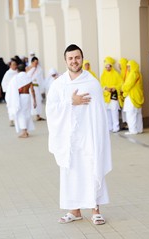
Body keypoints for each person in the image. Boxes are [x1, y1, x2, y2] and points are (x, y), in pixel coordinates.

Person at [46, 44, 112, 225]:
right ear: (65, 60)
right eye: (70, 58)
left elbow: (99, 115)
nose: (74, 61)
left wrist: (98, 138)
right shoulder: (59, 84)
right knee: (71, 173)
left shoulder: (92, 83)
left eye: (77, 57)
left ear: (82, 58)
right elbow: (50, 110)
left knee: (92, 169)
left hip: (89, 137)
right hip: (69, 139)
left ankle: (95, 210)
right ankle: (74, 211)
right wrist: (70, 102)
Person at [5, 64, 37, 138]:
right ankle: (26, 130)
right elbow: (32, 90)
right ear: (25, 69)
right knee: (27, 113)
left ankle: (24, 132)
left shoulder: (16, 78)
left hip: (21, 97)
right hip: (28, 96)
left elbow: (11, 89)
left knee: (20, 114)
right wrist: (34, 101)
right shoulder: (28, 77)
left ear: (17, 70)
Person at [100, 56, 123, 133]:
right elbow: (101, 85)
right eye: (106, 66)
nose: (107, 68)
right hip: (106, 96)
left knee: (114, 111)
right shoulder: (103, 75)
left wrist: (114, 88)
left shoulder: (116, 74)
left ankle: (116, 127)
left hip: (114, 96)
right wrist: (106, 88)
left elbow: (121, 84)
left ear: (111, 66)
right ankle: (109, 127)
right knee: (107, 112)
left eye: (109, 66)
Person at [122, 60, 144, 135]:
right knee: (138, 114)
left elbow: (127, 85)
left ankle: (133, 130)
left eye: (129, 66)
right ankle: (139, 129)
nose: (127, 68)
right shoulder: (138, 73)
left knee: (130, 113)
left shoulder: (133, 73)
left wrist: (123, 89)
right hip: (138, 96)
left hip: (132, 96)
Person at [26, 56, 45, 121]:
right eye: (35, 63)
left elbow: (41, 79)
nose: (36, 64)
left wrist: (42, 88)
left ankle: (38, 115)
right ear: (32, 62)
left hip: (37, 87)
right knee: (31, 101)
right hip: (30, 87)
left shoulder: (39, 69)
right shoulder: (28, 68)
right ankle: (29, 116)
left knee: (38, 101)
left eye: (37, 63)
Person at [1, 59, 18, 126]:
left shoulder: (17, 72)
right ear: (10, 66)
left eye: (15, 65)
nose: (15, 66)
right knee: (10, 106)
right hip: (10, 93)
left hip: (17, 92)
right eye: (13, 65)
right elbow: (4, 83)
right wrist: (8, 90)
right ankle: (11, 119)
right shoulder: (8, 73)